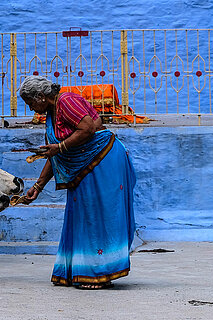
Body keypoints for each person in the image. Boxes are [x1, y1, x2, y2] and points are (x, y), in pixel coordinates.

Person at [19, 76, 136, 289]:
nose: (30, 109)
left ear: (41, 97)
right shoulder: (50, 115)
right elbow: (54, 154)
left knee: (98, 215)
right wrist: (37, 187)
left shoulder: (67, 101)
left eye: (30, 103)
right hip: (81, 165)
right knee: (81, 215)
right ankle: (81, 269)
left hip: (102, 158)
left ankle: (101, 273)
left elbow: (88, 129)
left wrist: (61, 147)